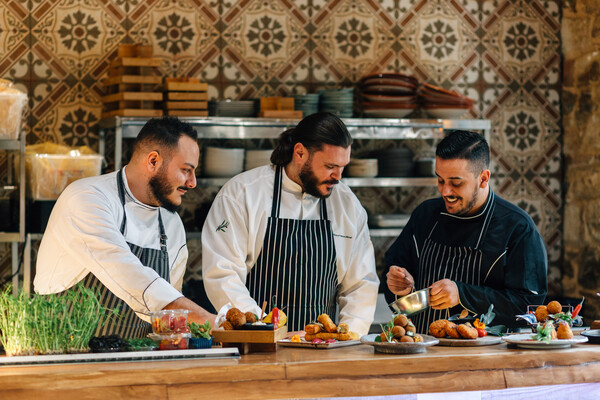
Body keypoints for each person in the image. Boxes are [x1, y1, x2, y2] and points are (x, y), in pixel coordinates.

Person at [34, 116, 216, 338]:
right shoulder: (87, 198)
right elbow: (127, 272)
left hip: (137, 360)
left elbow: (169, 309)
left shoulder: (172, 224)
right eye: (186, 170)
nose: (192, 182)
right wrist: (206, 319)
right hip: (66, 355)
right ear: (153, 161)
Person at [201, 112, 379, 334]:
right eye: (330, 166)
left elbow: (361, 284)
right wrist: (262, 330)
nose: (338, 176)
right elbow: (223, 273)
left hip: (322, 348)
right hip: (257, 346)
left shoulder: (347, 204)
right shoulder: (242, 193)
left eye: (343, 166)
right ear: (300, 153)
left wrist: (347, 335)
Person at [382, 130, 547, 333]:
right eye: (440, 180)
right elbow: (404, 304)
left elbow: (528, 307)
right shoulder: (425, 215)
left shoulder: (517, 227)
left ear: (484, 179)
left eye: (456, 183)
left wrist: (462, 294)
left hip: (486, 357)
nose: (445, 191)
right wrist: (399, 290)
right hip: (423, 351)